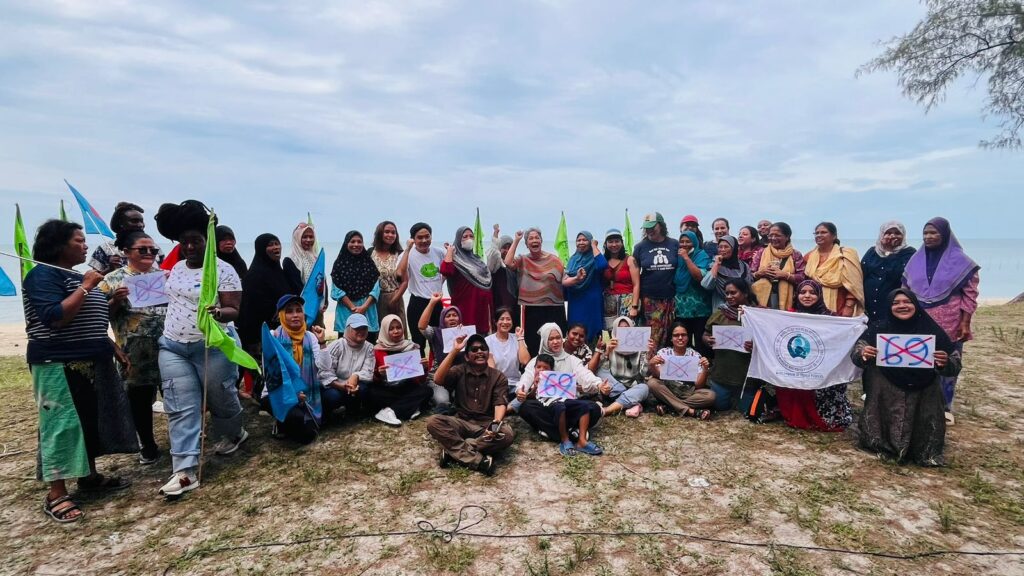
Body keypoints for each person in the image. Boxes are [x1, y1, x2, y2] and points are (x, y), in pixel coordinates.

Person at [25, 220, 136, 523]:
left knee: (89, 418)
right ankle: (56, 493)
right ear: (58, 245)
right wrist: (87, 286)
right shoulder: (42, 276)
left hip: (92, 358)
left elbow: (89, 318)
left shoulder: (72, 275)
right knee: (61, 425)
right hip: (57, 363)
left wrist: (111, 342)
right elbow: (55, 318)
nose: (85, 246)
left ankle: (87, 476)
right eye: (78, 240)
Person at [154, 200, 248, 497]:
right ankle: (184, 471)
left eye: (196, 241)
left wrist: (219, 313)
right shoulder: (176, 269)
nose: (190, 246)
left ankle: (235, 432)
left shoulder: (224, 270)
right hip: (173, 346)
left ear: (208, 242)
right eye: (185, 242)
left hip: (213, 345)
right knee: (181, 406)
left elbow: (234, 309)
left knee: (221, 395)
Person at [854, 289, 959, 466]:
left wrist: (944, 362)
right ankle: (882, 442)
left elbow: (955, 364)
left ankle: (919, 447)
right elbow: (858, 351)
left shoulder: (932, 329)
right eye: (896, 303)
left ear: (915, 305)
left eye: (907, 302)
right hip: (886, 386)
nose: (902, 306)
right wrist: (864, 353)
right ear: (889, 307)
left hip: (923, 388)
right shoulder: (879, 328)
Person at [98, 229, 166, 465]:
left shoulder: (165, 275)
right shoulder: (112, 280)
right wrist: (115, 301)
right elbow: (97, 318)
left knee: (176, 395)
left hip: (169, 348)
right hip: (134, 353)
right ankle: (147, 444)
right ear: (126, 252)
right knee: (140, 400)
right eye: (143, 249)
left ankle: (182, 439)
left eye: (153, 250)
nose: (149, 253)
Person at [902, 217, 979, 422]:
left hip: (949, 320)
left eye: (933, 233)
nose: (928, 237)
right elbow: (905, 290)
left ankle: (944, 406)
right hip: (918, 318)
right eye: (925, 233)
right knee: (917, 358)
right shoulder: (915, 260)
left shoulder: (962, 261)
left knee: (946, 361)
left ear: (944, 235)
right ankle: (916, 401)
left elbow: (970, 295)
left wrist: (965, 322)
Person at [427, 333, 515, 475]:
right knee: (433, 422)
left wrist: (494, 426)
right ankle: (478, 461)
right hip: (461, 422)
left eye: (483, 348)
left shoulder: (498, 376)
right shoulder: (459, 370)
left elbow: (500, 404)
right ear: (467, 356)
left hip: (485, 426)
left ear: (487, 353)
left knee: (507, 434)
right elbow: (438, 379)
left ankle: (452, 452)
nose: (479, 351)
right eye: (474, 350)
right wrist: (454, 350)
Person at [774, 280, 852, 431]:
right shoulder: (787, 316)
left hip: (821, 364)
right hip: (797, 363)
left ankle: (824, 413)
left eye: (813, 292)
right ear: (797, 295)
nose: (807, 296)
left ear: (820, 295)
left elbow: (840, 339)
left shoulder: (830, 317)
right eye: (803, 292)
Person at [517, 324, 607, 455]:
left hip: (569, 405)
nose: (555, 342)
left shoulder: (572, 360)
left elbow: (585, 375)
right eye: (551, 338)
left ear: (562, 338)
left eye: (558, 337)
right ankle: (570, 434)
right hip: (546, 405)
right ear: (544, 340)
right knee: (526, 408)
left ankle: (552, 432)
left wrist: (599, 384)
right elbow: (526, 378)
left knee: (594, 408)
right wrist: (521, 391)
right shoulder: (537, 361)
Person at [260, 295, 327, 444]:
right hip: (279, 392)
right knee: (302, 431)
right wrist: (293, 393)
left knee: (309, 434)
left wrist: (322, 342)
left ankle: (290, 420)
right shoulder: (274, 337)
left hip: (308, 392)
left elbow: (323, 367)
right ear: (281, 315)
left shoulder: (310, 337)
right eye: (289, 311)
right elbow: (271, 374)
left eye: (299, 310)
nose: (295, 315)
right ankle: (281, 421)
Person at [503, 227, 566, 354]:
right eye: (531, 238)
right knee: (533, 343)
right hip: (531, 307)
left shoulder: (554, 260)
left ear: (541, 241)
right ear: (526, 244)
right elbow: (508, 262)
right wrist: (516, 240)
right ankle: (535, 370)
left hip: (554, 307)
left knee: (555, 341)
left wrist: (577, 278)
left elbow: (564, 279)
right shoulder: (523, 259)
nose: (534, 240)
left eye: (537, 237)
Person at [369, 314, 434, 426]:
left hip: (407, 387)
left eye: (398, 327)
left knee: (427, 390)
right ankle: (410, 407)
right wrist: (379, 374)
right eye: (391, 328)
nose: (396, 331)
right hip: (387, 389)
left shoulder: (411, 347)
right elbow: (373, 378)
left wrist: (424, 368)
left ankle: (390, 411)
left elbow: (420, 379)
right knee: (371, 392)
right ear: (384, 330)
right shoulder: (377, 350)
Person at [703, 278, 757, 413]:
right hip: (722, 376)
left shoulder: (756, 315)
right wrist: (707, 340)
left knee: (747, 410)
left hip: (747, 379)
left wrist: (755, 346)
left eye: (733, 293)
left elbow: (767, 342)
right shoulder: (720, 314)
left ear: (745, 293)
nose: (729, 297)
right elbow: (704, 334)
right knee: (720, 407)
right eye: (727, 293)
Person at [647, 321, 715, 420]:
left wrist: (705, 369)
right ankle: (691, 412)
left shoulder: (695, 355)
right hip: (669, 389)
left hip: (688, 392)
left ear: (688, 337)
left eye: (683, 335)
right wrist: (652, 365)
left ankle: (670, 406)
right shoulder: (663, 352)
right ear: (671, 338)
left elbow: (699, 385)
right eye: (676, 335)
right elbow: (658, 376)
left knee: (711, 396)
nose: (680, 338)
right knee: (652, 383)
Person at [237, 234, 292, 354]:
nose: (276, 247)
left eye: (277, 243)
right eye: (270, 245)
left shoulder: (279, 272)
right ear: (261, 249)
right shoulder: (254, 275)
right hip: (260, 336)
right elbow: (251, 308)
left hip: (283, 332)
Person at [318, 313, 377, 420]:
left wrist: (356, 376)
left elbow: (368, 372)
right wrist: (341, 386)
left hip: (355, 385)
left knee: (364, 389)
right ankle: (326, 414)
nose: (361, 331)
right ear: (348, 329)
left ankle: (353, 410)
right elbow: (325, 372)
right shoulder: (337, 345)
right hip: (335, 385)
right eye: (357, 328)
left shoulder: (369, 348)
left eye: (364, 328)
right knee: (333, 397)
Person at [633, 212, 679, 348]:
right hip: (650, 298)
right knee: (652, 337)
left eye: (653, 226)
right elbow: (634, 274)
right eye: (647, 227)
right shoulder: (640, 247)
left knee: (669, 335)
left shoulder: (674, 244)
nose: (649, 230)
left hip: (671, 298)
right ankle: (650, 366)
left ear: (661, 225)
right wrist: (635, 304)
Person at [397, 223, 445, 354]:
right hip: (418, 303)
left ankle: (437, 371)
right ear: (413, 238)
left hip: (436, 303)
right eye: (419, 237)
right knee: (418, 344)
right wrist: (407, 249)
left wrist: (441, 283)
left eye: (427, 237)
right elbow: (400, 274)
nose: (424, 240)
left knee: (439, 341)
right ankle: (421, 374)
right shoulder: (407, 254)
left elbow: (448, 270)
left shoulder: (439, 252)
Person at [804, 222, 865, 318]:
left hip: (840, 305)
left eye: (823, 232)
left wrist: (849, 306)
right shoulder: (808, 257)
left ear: (834, 236)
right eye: (817, 233)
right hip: (814, 307)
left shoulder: (846, 255)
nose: (819, 235)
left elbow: (854, 284)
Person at [595, 316, 650, 418]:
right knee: (600, 372)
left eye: (627, 328)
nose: (624, 331)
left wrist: (648, 355)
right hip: (614, 386)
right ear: (615, 330)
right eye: (620, 329)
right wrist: (608, 352)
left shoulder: (641, 347)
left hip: (633, 385)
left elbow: (644, 374)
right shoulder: (610, 344)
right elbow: (602, 370)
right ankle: (632, 402)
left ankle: (607, 410)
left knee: (645, 388)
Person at [331, 231, 382, 342]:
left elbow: (376, 288)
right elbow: (336, 290)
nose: (356, 244)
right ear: (346, 243)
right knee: (345, 347)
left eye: (359, 242)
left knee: (369, 346)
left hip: (367, 312)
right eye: (352, 241)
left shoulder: (368, 263)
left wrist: (364, 307)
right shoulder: (339, 264)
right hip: (346, 312)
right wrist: (352, 308)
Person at [861, 221, 916, 323]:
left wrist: (889, 250)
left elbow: (896, 274)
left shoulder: (909, 253)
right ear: (882, 235)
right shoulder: (872, 252)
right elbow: (862, 275)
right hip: (869, 307)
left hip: (893, 306)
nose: (892, 236)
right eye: (888, 233)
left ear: (903, 235)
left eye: (897, 233)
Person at [441, 226, 493, 334]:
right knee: (464, 340)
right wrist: (450, 251)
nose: (469, 239)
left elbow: (487, 279)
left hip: (482, 308)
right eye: (464, 237)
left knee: (481, 341)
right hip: (465, 307)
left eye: (471, 236)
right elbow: (445, 271)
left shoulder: (477, 259)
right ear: (458, 240)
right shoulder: (455, 259)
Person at [418, 293, 466, 409]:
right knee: (442, 401)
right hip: (437, 379)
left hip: (458, 378)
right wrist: (432, 302)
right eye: (448, 316)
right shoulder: (435, 333)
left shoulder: (466, 334)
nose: (452, 318)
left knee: (462, 400)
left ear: (459, 318)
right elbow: (422, 326)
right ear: (442, 319)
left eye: (455, 315)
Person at [563, 231, 606, 347]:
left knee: (592, 332)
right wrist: (576, 278)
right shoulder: (573, 259)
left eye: (584, 240)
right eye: (578, 240)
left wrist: (594, 246)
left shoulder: (594, 258)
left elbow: (602, 265)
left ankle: (593, 357)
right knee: (575, 330)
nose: (581, 242)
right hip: (576, 301)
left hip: (591, 302)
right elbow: (564, 280)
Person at [751, 222, 806, 311]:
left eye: (777, 235)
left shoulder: (795, 255)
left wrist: (785, 275)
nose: (773, 238)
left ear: (787, 237)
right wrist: (759, 273)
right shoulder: (761, 252)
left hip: (789, 299)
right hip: (762, 299)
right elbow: (750, 275)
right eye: (771, 235)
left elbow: (802, 278)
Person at [283, 222, 328, 326]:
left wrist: (324, 302)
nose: (308, 240)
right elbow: (295, 286)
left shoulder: (316, 258)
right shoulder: (291, 260)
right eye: (304, 237)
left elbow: (322, 280)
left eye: (311, 237)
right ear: (297, 238)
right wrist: (309, 305)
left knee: (317, 338)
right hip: (301, 310)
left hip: (318, 308)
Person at [485, 307, 530, 409]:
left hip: (515, 384)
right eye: (502, 319)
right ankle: (508, 408)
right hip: (497, 384)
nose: (505, 322)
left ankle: (506, 409)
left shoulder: (516, 338)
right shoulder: (488, 341)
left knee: (525, 395)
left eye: (508, 319)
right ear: (495, 322)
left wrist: (520, 338)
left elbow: (525, 360)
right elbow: (489, 369)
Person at [699, 234, 750, 323]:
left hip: (742, 310)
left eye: (726, 247)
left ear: (734, 248)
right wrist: (716, 264)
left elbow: (748, 287)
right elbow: (706, 285)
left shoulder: (744, 266)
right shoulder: (714, 266)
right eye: (720, 247)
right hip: (722, 311)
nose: (722, 250)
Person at [370, 221, 409, 332]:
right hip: (374, 299)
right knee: (379, 333)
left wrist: (394, 300)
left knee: (397, 332)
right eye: (387, 232)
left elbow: (405, 281)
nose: (390, 235)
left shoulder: (400, 254)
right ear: (379, 233)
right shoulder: (370, 253)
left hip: (395, 297)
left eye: (393, 232)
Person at [88, 202, 146, 274]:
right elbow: (92, 281)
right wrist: (110, 269)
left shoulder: (153, 248)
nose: (140, 225)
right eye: (134, 221)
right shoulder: (104, 249)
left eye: (142, 221)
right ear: (121, 223)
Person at [601, 228, 640, 329]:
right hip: (609, 301)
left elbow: (636, 284)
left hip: (627, 301)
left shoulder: (630, 260)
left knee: (627, 331)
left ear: (622, 243)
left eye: (617, 241)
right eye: (610, 242)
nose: (614, 244)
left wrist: (634, 307)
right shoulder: (603, 261)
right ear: (605, 244)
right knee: (611, 331)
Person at [486, 225, 519, 320]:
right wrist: (495, 238)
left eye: (510, 247)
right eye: (504, 247)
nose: (507, 250)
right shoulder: (496, 265)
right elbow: (493, 256)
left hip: (514, 308)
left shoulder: (516, 266)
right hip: (499, 308)